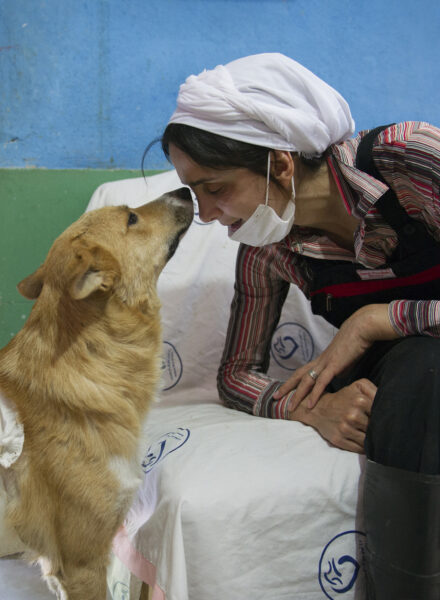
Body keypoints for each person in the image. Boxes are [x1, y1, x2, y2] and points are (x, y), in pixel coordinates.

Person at [160, 52, 440, 599]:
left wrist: (376, 319)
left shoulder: (409, 160)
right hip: (398, 375)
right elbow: (237, 373)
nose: (208, 215)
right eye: (196, 196)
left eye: (216, 188)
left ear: (281, 165)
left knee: (423, 371)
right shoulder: (267, 250)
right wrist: (310, 407)